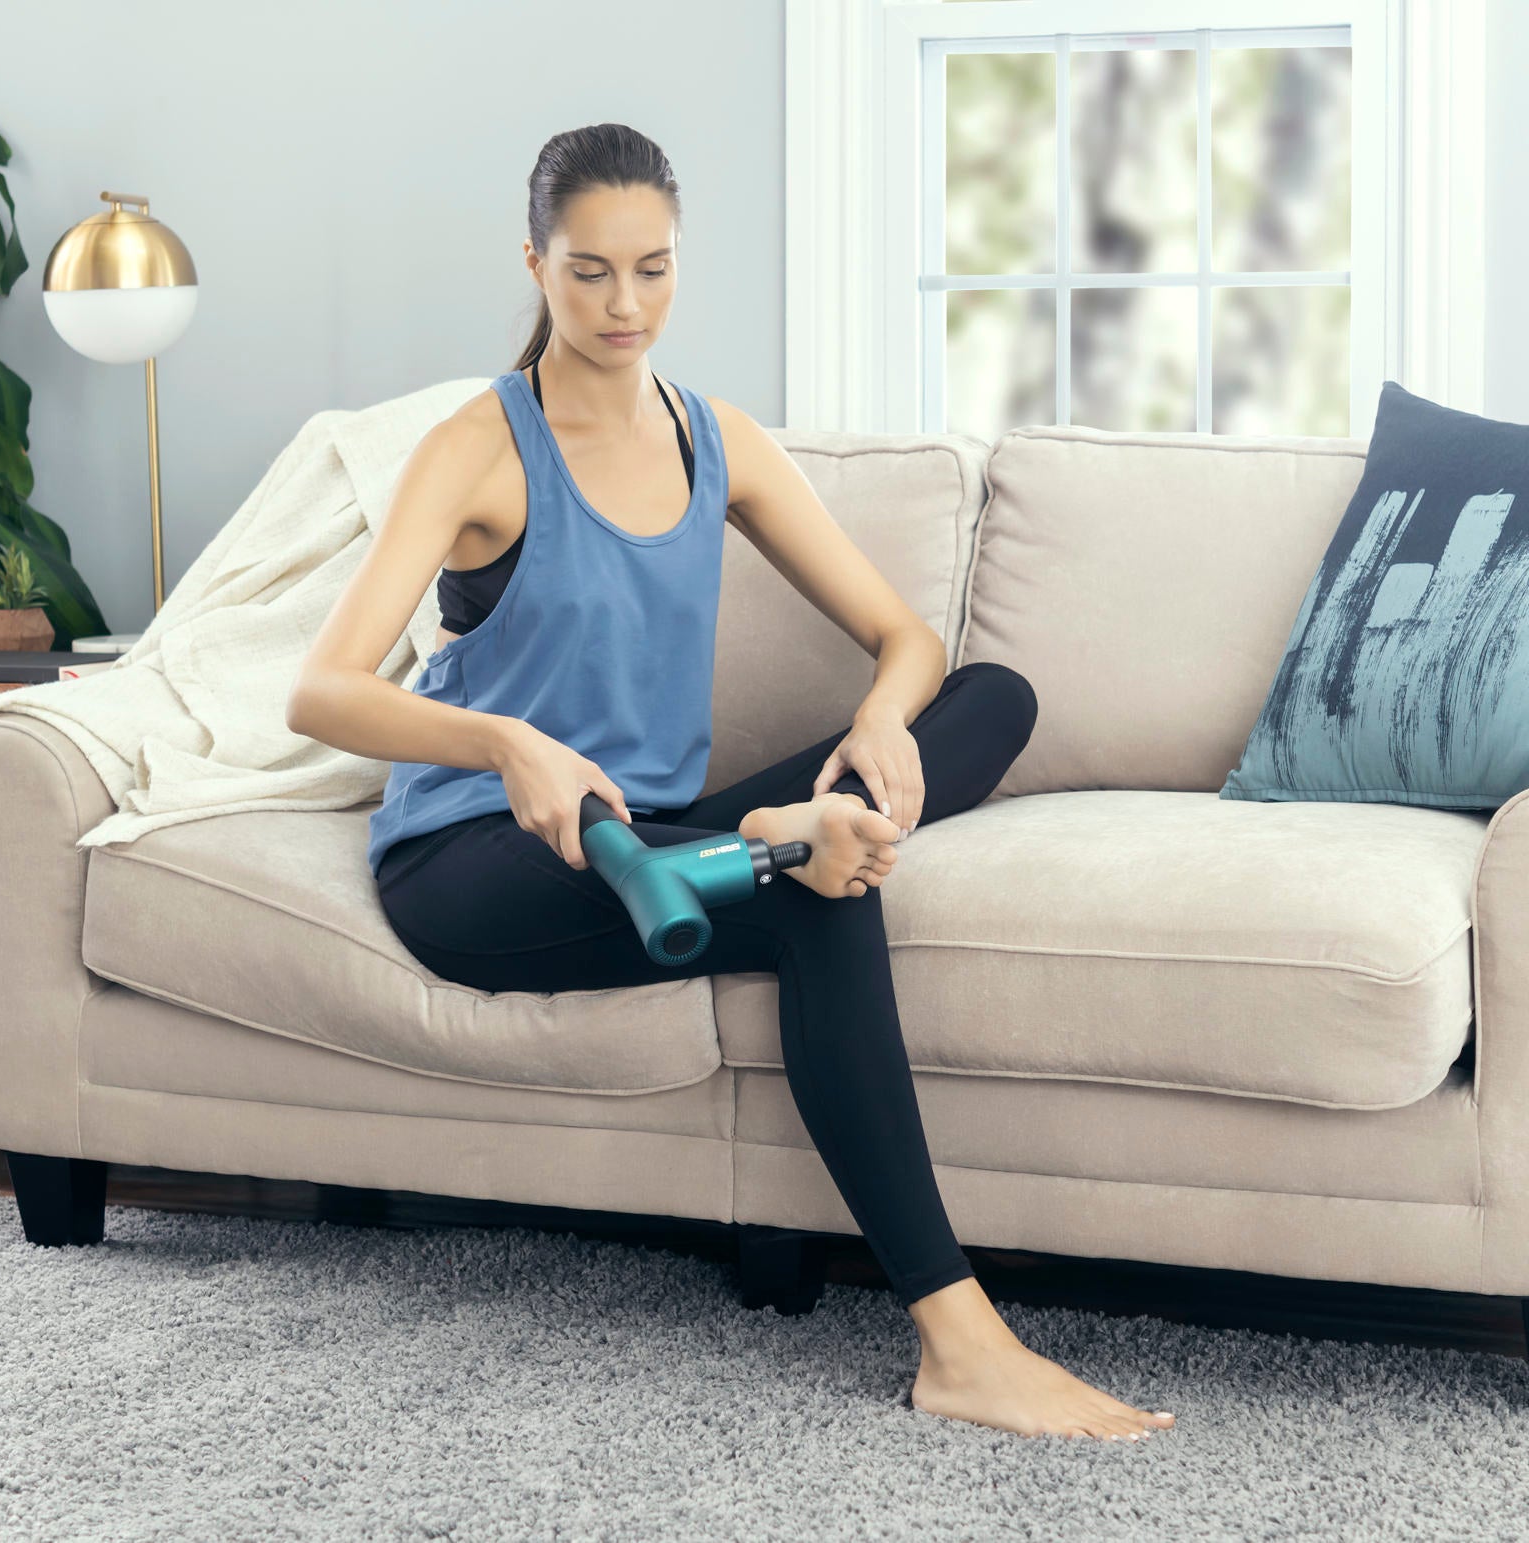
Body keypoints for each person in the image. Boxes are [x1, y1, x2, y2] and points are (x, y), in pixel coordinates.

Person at [287, 122, 1176, 1446]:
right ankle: (959, 1340)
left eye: (653, 269)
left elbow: (908, 638)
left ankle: (785, 834)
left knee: (993, 699)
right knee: (822, 898)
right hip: (482, 855)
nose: (624, 306)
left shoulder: (719, 442)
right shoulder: (480, 446)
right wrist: (507, 744)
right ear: (533, 264)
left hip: (649, 835)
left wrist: (879, 724)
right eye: (589, 272)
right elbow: (323, 691)